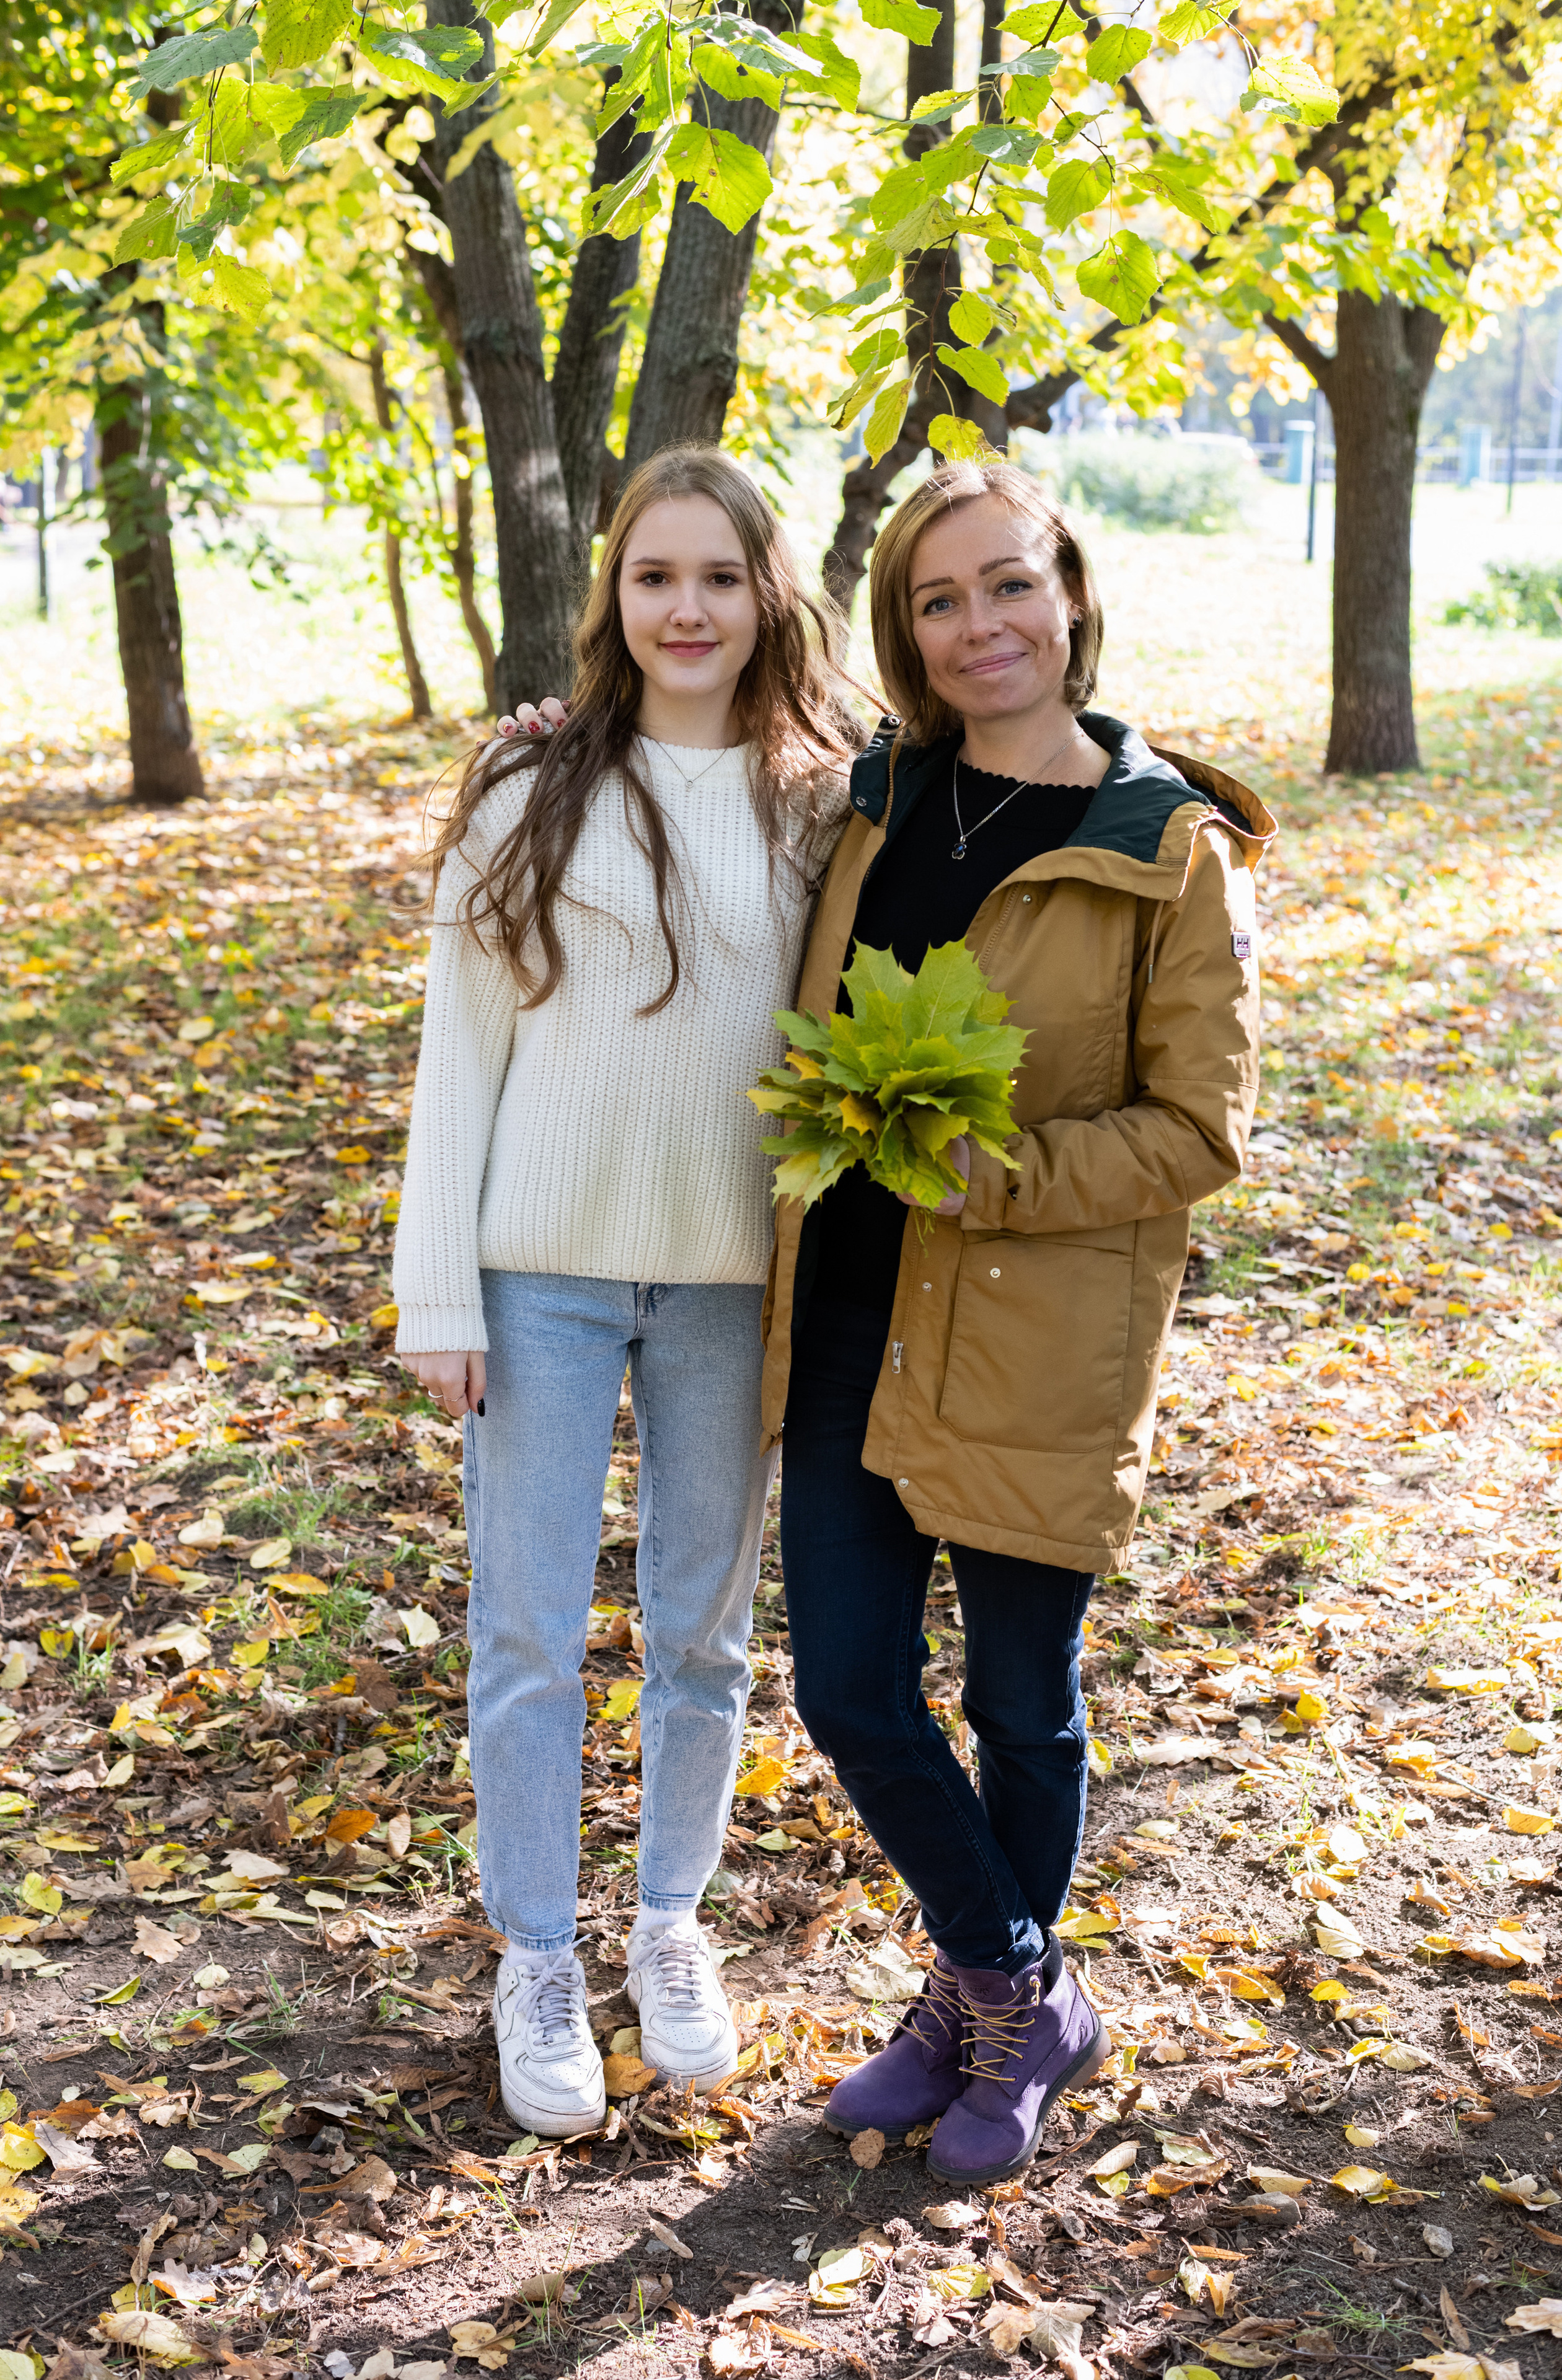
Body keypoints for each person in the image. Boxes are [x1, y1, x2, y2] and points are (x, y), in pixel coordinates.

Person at [759, 459, 1273, 2187]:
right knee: (849, 1688)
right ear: (905, 632)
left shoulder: (1168, 850)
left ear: (1071, 598)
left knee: (1016, 1702)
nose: (979, 624)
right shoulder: (867, 801)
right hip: (850, 1317)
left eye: (1007, 585)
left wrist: (1009, 1174)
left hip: (1039, 1329)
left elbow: (1201, 1130)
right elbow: (686, 766)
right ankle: (1017, 1992)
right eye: (938, 599)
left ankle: (977, 2007)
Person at [390, 444, 856, 2138]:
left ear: (769, 596)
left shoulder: (824, 802)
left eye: (720, 577)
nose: (687, 608)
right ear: (615, 594)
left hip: (731, 1280)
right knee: (525, 1629)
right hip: (538, 1275)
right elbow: (461, 1050)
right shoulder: (529, 786)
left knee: (703, 1633)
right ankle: (535, 1950)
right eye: (655, 576)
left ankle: (669, 1920)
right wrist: (436, 1290)